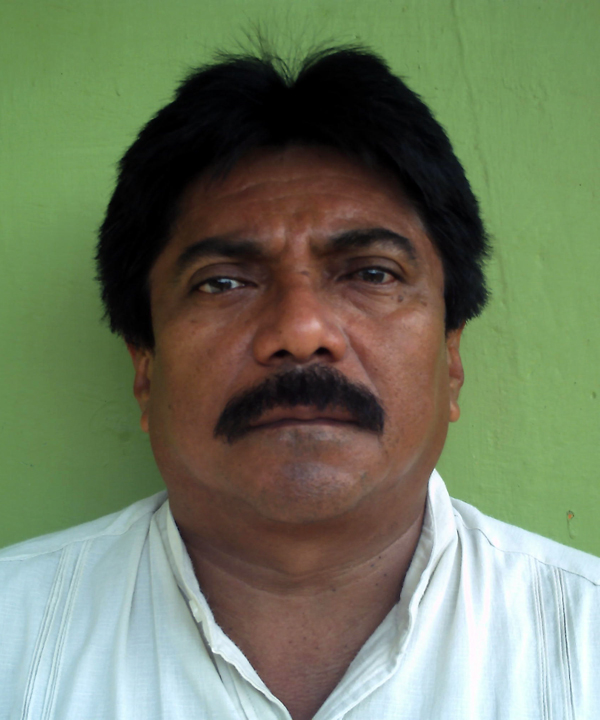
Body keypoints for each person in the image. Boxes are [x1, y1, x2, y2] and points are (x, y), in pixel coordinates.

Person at [1, 45, 598, 720]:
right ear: (145, 366)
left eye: (372, 273)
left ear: (451, 358)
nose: (301, 330)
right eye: (223, 283)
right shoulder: (14, 640)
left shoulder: (585, 643)